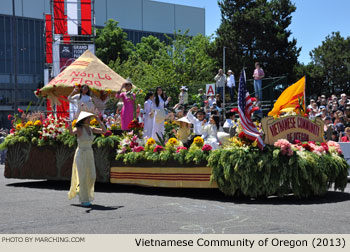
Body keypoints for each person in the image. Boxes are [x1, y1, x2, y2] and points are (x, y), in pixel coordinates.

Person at [67, 111, 107, 206]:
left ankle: (82, 192)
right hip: (81, 153)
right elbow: (71, 133)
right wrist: (69, 124)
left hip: (89, 153)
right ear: (83, 119)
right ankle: (84, 199)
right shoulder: (79, 129)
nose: (90, 119)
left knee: (92, 176)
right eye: (88, 118)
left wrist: (99, 121)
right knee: (83, 177)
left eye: (90, 118)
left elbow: (104, 131)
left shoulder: (91, 128)